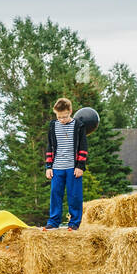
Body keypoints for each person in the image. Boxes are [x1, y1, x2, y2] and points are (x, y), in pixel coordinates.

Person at [43, 97, 88, 230]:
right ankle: (53, 222)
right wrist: (48, 167)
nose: (62, 120)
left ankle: (74, 223)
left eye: (65, 116)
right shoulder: (53, 125)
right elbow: (49, 147)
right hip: (57, 168)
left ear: (70, 111)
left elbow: (83, 147)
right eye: (59, 117)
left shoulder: (78, 126)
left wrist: (80, 166)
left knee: (74, 196)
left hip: (72, 168)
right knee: (55, 194)